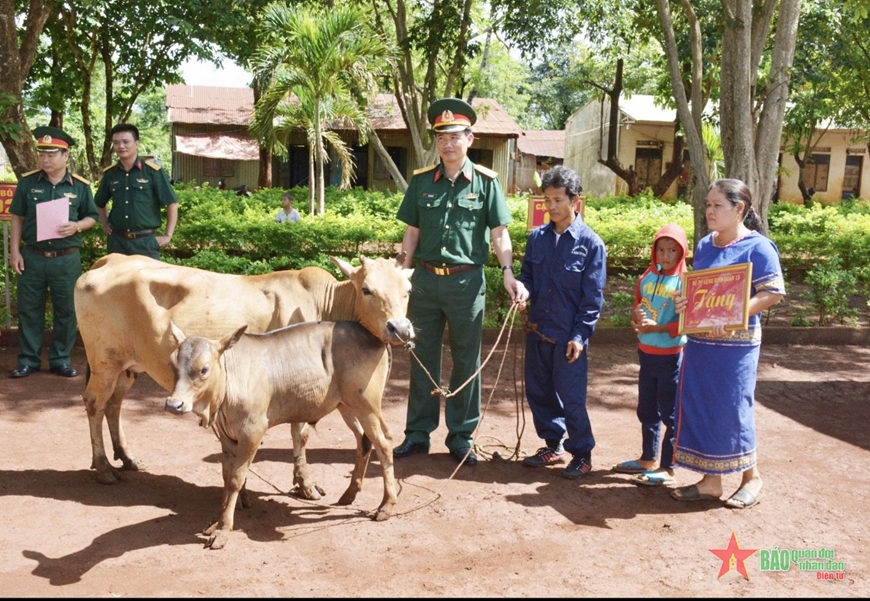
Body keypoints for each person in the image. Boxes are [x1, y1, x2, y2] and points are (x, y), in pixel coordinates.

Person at [392, 97, 529, 465]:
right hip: (424, 282)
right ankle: (418, 434)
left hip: (466, 286)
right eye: (442, 137)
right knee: (422, 358)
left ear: (470, 138)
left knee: (467, 360)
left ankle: (461, 437)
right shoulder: (422, 182)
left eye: (455, 136)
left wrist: (508, 274)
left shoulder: (486, 184)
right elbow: (411, 233)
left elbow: (500, 234)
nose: (448, 144)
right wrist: (402, 269)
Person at [670, 178, 785, 508]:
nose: (709, 211)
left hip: (737, 348)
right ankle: (711, 482)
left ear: (739, 210)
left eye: (717, 205)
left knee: (734, 410)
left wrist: (735, 315)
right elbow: (701, 291)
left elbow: (773, 292)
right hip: (701, 344)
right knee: (703, 408)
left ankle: (753, 479)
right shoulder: (706, 245)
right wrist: (684, 303)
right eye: (707, 205)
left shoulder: (759, 248)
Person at [517, 165, 607, 479]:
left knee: (571, 397)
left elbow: (592, 299)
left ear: (574, 201)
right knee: (538, 391)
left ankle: (581, 453)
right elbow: (527, 276)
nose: (551, 207)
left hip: (569, 338)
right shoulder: (537, 239)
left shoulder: (591, 244)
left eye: (558, 200)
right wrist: (521, 291)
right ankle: (552, 445)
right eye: (547, 200)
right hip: (538, 331)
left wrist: (580, 336)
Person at [8, 126, 99, 378]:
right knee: (29, 310)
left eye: (51, 154)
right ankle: (28, 360)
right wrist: (15, 252)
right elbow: (17, 218)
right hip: (33, 256)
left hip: (66, 259)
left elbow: (92, 217)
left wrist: (77, 226)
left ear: (65, 155)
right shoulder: (28, 183)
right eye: (42, 154)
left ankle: (60, 359)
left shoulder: (79, 186)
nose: (45, 159)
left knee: (67, 311)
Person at [612, 223, 688, 486]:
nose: (665, 256)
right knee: (647, 409)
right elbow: (637, 309)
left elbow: (686, 323)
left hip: (671, 357)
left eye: (672, 251)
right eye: (661, 250)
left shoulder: (684, 283)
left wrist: (655, 327)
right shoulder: (645, 278)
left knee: (669, 412)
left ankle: (668, 467)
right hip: (646, 354)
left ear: (682, 253)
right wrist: (637, 319)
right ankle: (647, 459)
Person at [94, 123, 178, 259]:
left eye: (126, 142)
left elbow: (172, 203)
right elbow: (99, 202)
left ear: (137, 143)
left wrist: (168, 235)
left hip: (145, 243)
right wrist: (104, 224)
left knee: (147, 280)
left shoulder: (152, 171)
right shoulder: (111, 173)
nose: (121, 146)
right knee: (117, 280)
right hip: (117, 242)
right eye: (116, 143)